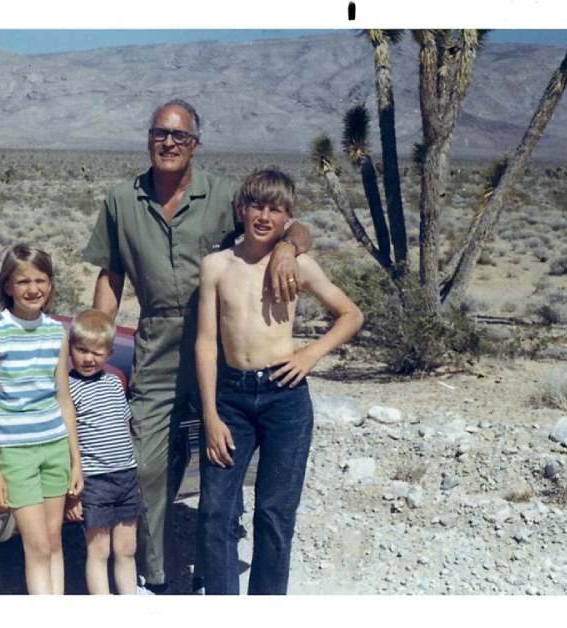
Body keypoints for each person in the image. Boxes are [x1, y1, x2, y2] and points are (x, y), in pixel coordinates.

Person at [83, 99, 313, 594]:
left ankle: (215, 569)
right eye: (160, 133)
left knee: (221, 458)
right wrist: (96, 342)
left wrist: (290, 248)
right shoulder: (122, 200)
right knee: (148, 462)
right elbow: (111, 274)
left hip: (222, 347)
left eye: (180, 136)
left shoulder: (228, 193)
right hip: (157, 342)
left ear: (195, 144)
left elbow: (289, 223)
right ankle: (163, 576)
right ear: (148, 139)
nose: (169, 142)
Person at [195, 169, 364, 595]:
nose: (264, 216)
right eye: (257, 206)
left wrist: (310, 354)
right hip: (231, 398)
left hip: (285, 398)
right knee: (214, 510)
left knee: (274, 511)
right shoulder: (217, 265)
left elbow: (351, 314)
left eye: (275, 209)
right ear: (241, 210)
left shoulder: (299, 264)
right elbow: (206, 343)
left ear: (288, 219)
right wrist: (211, 415)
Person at [0, 243, 83, 595]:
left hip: (54, 448)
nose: (32, 289)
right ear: (7, 286)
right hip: (16, 454)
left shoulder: (56, 332)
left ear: (51, 284)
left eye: (40, 280)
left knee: (53, 541)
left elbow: (64, 400)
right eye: (23, 282)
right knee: (35, 546)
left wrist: (75, 461)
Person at [64, 309, 147, 595]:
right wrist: (71, 494)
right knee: (98, 551)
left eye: (97, 352)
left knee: (127, 547)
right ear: (70, 348)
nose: (89, 358)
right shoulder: (66, 389)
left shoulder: (113, 383)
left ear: (110, 353)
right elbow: (66, 442)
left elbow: (124, 430)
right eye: (82, 350)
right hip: (94, 481)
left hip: (125, 477)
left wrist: (134, 473)